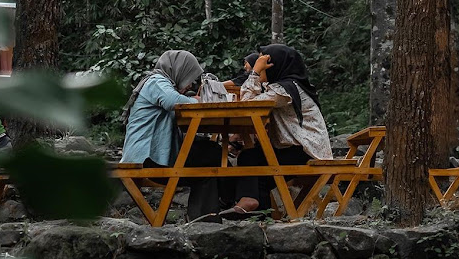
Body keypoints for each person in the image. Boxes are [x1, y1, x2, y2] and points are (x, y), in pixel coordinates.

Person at [220, 44, 332, 219]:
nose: (260, 66)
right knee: (255, 169)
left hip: (306, 151)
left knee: (252, 160)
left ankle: (250, 206)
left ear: (274, 66)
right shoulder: (285, 86)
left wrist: (255, 73)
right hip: (295, 148)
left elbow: (248, 106)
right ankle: (260, 219)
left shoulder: (285, 89)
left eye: (263, 63)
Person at [121, 49, 222, 221]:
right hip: (146, 158)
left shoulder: (160, 82)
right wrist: (197, 101)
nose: (190, 85)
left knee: (210, 153)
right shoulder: (156, 81)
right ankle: (207, 220)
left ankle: (205, 219)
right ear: (179, 70)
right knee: (210, 155)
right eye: (189, 79)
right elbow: (171, 101)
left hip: (151, 156)